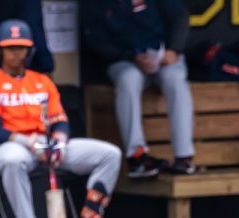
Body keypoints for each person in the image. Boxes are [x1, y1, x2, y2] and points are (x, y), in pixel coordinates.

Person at [0, 19, 124, 218]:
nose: (16, 53)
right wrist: (28, 142)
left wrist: (60, 142)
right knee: (14, 160)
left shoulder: (42, 82)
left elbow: (59, 120)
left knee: (109, 154)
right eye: (10, 48)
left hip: (47, 145)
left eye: (20, 48)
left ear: (29, 50)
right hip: (11, 147)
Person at [83, 0, 196, 178]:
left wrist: (174, 49)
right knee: (128, 79)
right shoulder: (98, 5)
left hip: (162, 57)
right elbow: (96, 40)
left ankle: (184, 156)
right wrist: (130, 56)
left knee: (174, 79)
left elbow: (179, 17)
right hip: (126, 60)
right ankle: (138, 157)